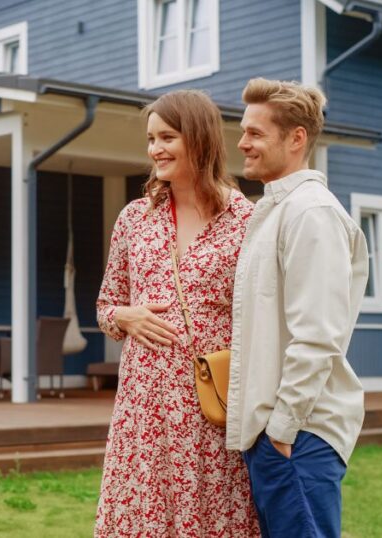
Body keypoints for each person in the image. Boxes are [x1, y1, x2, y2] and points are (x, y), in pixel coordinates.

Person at [95, 90, 261, 537]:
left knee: (211, 515)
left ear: (200, 138)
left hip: (211, 406)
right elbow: (105, 306)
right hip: (143, 407)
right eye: (151, 139)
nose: (155, 150)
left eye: (167, 137)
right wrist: (124, 317)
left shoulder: (247, 220)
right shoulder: (135, 219)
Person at [227, 78, 369, 538]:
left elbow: (318, 336)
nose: (242, 142)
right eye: (243, 130)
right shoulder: (277, 211)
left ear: (296, 138)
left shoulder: (311, 214)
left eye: (255, 132)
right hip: (279, 435)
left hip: (299, 435)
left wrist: (282, 431)